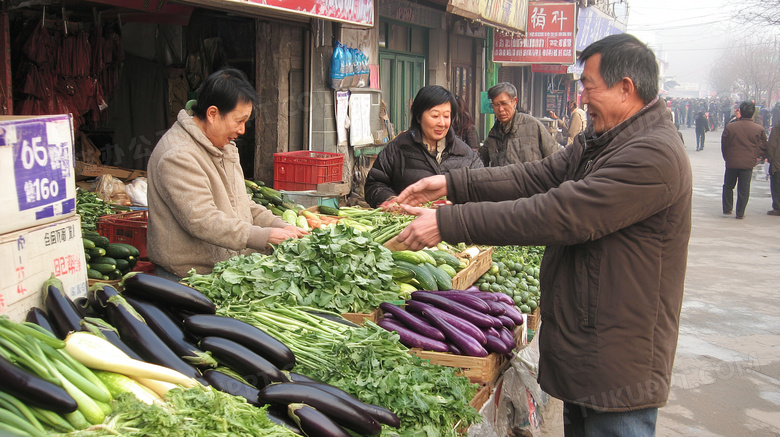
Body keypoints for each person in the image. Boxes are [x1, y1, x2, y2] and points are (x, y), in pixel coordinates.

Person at [390, 34, 691, 435]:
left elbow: (561, 213)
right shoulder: (602, 141)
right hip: (590, 345)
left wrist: (448, 223)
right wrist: (451, 184)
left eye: (588, 85)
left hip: (620, 359)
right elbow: (534, 176)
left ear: (625, 88)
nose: (581, 98)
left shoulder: (653, 155)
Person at [146, 68, 307, 279]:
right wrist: (262, 236)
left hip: (226, 270)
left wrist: (279, 225)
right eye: (238, 121)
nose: (242, 130)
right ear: (212, 114)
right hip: (189, 278)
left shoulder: (222, 146)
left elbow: (242, 203)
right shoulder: (178, 155)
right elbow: (202, 219)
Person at [362, 85, 483, 208]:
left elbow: (481, 191)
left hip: (452, 224)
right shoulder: (398, 148)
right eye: (435, 116)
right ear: (419, 117)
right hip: (408, 224)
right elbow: (374, 185)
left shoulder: (466, 155)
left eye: (446, 116)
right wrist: (392, 201)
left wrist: (453, 207)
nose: (442, 123)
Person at [479, 82, 558, 167]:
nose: (500, 109)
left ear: (514, 101)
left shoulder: (532, 126)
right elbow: (480, 162)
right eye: (496, 105)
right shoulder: (493, 134)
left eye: (504, 103)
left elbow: (555, 159)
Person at [720, 100, 768, 219]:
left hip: (732, 161)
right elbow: (763, 147)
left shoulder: (730, 127)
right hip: (748, 163)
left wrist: (727, 157)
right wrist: (757, 158)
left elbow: (724, 145)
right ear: (752, 113)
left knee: (728, 186)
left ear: (740, 111)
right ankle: (740, 213)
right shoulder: (758, 129)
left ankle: (727, 208)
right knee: (744, 189)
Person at [767, 124, 780, 216]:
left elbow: (771, 146)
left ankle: (777, 207)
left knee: (776, 185)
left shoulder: (776, 130)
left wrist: (770, 159)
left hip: (777, 163)